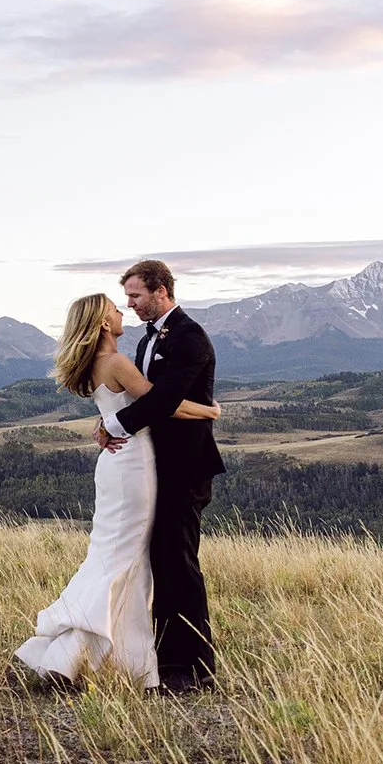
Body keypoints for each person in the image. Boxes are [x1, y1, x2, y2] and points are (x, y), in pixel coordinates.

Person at [15, 290, 220, 691]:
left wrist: (109, 424)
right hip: (133, 464)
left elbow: (124, 410)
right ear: (105, 324)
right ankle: (82, 655)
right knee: (125, 557)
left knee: (116, 554)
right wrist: (209, 410)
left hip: (116, 462)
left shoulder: (96, 363)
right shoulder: (118, 361)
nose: (122, 309)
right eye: (115, 306)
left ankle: (96, 655)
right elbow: (162, 403)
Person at [97, 259, 226, 693]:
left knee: (180, 563)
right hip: (155, 465)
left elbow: (164, 400)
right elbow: (143, 398)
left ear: (161, 291)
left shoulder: (190, 338)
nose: (129, 304)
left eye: (135, 296)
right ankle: (167, 660)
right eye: (128, 297)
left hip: (186, 466)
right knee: (161, 562)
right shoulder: (148, 341)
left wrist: (111, 426)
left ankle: (194, 668)